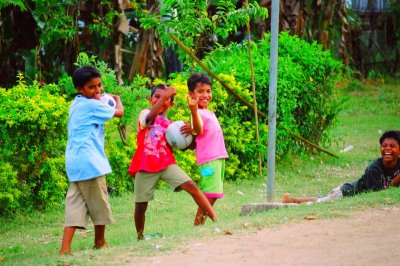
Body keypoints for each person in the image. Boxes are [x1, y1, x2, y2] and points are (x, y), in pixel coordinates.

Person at [127, 84, 217, 240]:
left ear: (172, 104)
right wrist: (164, 96)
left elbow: (187, 146)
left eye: (167, 99)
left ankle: (216, 220)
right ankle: (140, 236)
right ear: (150, 100)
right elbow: (149, 119)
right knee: (141, 205)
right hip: (145, 165)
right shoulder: (146, 113)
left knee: (192, 187)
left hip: (166, 163)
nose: (162, 101)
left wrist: (191, 131)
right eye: (157, 97)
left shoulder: (172, 126)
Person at [59, 66, 124, 255]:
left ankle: (65, 249)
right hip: (90, 163)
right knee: (99, 204)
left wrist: (103, 97)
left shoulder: (76, 104)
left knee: (75, 206)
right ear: (80, 89)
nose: (98, 91)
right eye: (91, 87)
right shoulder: (92, 105)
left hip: (74, 163)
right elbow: (119, 112)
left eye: (99, 85)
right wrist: (117, 100)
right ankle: (100, 241)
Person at [282, 130, 400, 204]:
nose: (387, 149)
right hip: (346, 192)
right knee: (321, 202)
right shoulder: (374, 168)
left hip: (347, 192)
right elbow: (380, 194)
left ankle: (294, 199)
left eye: (392, 146)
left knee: (322, 198)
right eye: (384, 146)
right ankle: (295, 200)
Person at [183, 73, 229, 225]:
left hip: (217, 157)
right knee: (210, 194)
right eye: (200, 91)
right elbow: (198, 130)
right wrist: (194, 110)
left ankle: (200, 224)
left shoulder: (207, 112)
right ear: (191, 94)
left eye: (208, 91)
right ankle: (199, 224)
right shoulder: (197, 113)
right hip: (209, 159)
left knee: (213, 193)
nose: (205, 95)